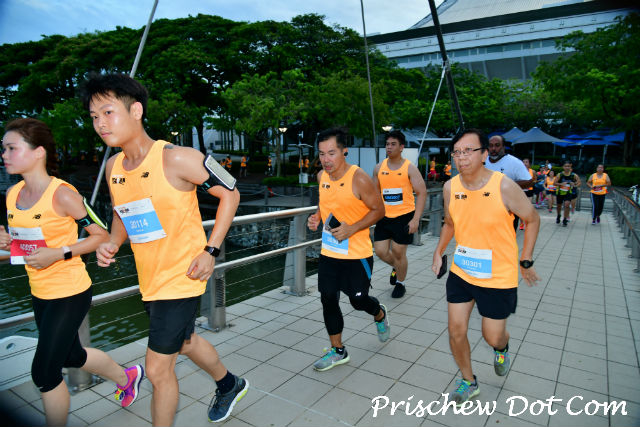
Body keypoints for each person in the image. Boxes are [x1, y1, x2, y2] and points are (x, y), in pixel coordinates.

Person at [81, 73, 247, 425]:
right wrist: (113, 242)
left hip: (183, 276)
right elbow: (121, 214)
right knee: (185, 342)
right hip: (150, 279)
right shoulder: (113, 168)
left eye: (108, 112)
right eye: (94, 116)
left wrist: (211, 251)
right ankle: (229, 384)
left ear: (136, 111)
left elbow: (231, 193)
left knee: (157, 369)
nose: (100, 124)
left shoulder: (176, 157)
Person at [0, 118, 143, 426]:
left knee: (44, 372)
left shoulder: (63, 194)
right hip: (39, 290)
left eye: (12, 148)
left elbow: (100, 235)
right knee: (71, 356)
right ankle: (127, 377)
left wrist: (59, 252)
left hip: (70, 291)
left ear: (38, 152)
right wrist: (8, 241)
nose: (5, 155)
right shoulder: (13, 194)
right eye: (4, 149)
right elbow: (24, 243)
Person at [431, 128, 540, 406]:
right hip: (463, 270)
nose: (462, 157)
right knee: (455, 330)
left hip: (498, 275)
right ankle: (469, 380)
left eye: (469, 151)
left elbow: (532, 218)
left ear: (483, 155)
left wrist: (526, 259)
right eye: (457, 152)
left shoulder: (503, 186)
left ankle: (502, 347)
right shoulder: (450, 187)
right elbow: (449, 223)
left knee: (492, 336)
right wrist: (438, 251)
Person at [307, 127, 390, 371]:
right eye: (322, 154)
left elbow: (379, 210)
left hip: (357, 255)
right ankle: (338, 350)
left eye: (331, 153)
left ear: (344, 151)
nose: (326, 159)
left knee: (358, 300)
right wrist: (317, 217)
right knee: (328, 298)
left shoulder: (358, 178)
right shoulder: (321, 177)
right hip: (330, 252)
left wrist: (352, 228)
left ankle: (379, 313)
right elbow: (326, 204)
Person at [372, 130, 427, 298]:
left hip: (404, 216)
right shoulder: (378, 168)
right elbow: (374, 194)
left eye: (393, 144)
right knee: (380, 251)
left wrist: (416, 219)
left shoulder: (409, 168)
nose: (389, 147)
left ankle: (400, 283)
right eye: (387, 144)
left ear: (401, 147)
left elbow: (422, 193)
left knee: (398, 251)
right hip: (384, 216)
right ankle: (397, 267)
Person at [486, 135, 533, 230]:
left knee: (506, 237)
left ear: (503, 147)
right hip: (486, 209)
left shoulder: (514, 162)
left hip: (508, 210)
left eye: (497, 145)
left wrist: (505, 186)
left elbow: (529, 181)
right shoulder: (481, 161)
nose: (493, 148)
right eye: (491, 145)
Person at [554, 160, 580, 227]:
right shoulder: (560, 175)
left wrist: (574, 184)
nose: (567, 167)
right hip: (560, 192)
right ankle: (558, 215)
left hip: (568, 192)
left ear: (570, 167)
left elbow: (579, 182)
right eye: (565, 166)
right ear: (563, 167)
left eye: (568, 166)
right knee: (559, 206)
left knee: (567, 205)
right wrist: (561, 184)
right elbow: (554, 183)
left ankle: (565, 219)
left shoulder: (573, 175)